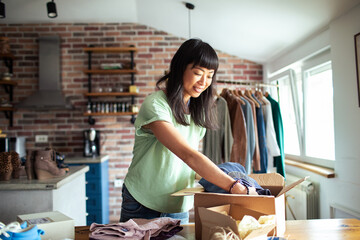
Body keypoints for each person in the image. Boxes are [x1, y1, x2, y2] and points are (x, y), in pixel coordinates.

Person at [120, 38, 252, 224]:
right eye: (198, 73)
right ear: (180, 68)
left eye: (210, 75)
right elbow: (187, 155)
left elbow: (185, 164)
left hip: (178, 204)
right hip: (143, 202)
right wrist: (232, 186)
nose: (204, 81)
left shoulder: (199, 110)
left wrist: (223, 179)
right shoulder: (156, 104)